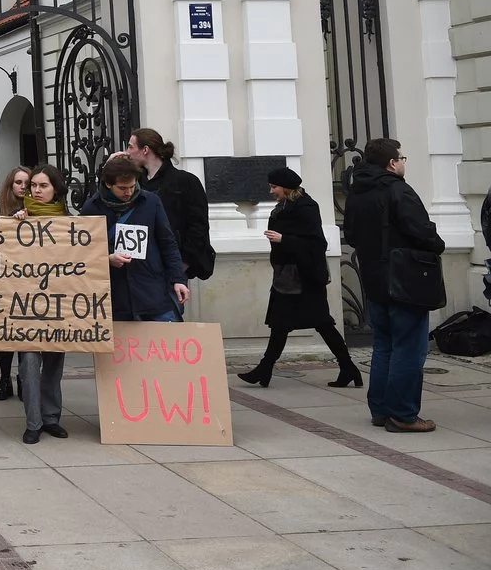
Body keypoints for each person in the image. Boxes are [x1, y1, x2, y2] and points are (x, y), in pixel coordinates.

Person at [343, 139, 445, 433]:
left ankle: (381, 409)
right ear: (391, 163)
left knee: (384, 345)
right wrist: (437, 243)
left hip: (373, 278)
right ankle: (402, 414)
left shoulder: (357, 192)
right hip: (405, 279)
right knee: (409, 348)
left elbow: (350, 233)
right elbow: (422, 231)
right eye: (401, 158)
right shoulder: (397, 189)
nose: (403, 163)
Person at [237, 167, 362, 390]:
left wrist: (284, 239)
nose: (271, 191)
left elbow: (316, 244)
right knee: (280, 324)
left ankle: (347, 367)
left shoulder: (306, 208)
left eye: (274, 187)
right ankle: (264, 370)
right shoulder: (285, 206)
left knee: (321, 323)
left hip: (304, 278)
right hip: (287, 275)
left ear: (286, 187)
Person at [81, 155, 190, 322]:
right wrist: (107, 259)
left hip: (152, 292)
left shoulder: (151, 201)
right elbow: (84, 252)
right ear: (108, 184)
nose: (129, 192)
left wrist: (178, 279)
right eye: (123, 188)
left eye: (132, 186)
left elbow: (167, 243)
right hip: (114, 298)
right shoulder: (91, 208)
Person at [12, 166, 72, 444]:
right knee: (29, 362)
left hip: (60, 302)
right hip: (26, 304)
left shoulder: (71, 222)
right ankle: (33, 422)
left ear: (56, 190)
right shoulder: (19, 220)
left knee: (53, 363)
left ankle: (51, 418)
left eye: (43, 186)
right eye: (33, 185)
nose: (35, 190)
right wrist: (16, 225)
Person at [125, 128, 215, 281]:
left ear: (145, 150)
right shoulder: (134, 183)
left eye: (130, 147)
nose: (127, 152)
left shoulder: (185, 181)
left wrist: (183, 263)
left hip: (171, 264)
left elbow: (198, 225)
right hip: (140, 267)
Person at [0, 165, 33, 400]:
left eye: (26, 182)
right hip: (6, 281)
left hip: (31, 282)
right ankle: (4, 378)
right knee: (5, 333)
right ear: (10, 185)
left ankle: (23, 377)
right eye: (18, 182)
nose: (23, 186)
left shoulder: (39, 209)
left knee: (26, 332)